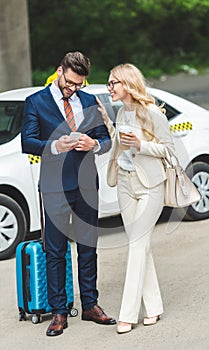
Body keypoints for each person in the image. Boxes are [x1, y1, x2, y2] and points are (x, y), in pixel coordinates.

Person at [21, 51, 116, 337]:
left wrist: (93, 144)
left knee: (88, 248)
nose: (73, 89)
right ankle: (59, 312)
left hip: (87, 186)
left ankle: (90, 305)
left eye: (79, 84)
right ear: (60, 70)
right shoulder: (35, 102)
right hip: (54, 187)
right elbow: (28, 141)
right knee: (56, 251)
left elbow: (107, 140)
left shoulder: (89, 101)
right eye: (70, 82)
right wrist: (54, 145)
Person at [96, 63, 176, 334]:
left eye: (113, 83)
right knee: (139, 246)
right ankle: (153, 307)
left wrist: (142, 146)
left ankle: (127, 315)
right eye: (109, 84)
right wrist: (108, 123)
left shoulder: (152, 113)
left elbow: (169, 151)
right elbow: (120, 142)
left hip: (150, 186)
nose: (110, 88)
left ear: (128, 84)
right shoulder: (121, 112)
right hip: (126, 185)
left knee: (136, 246)